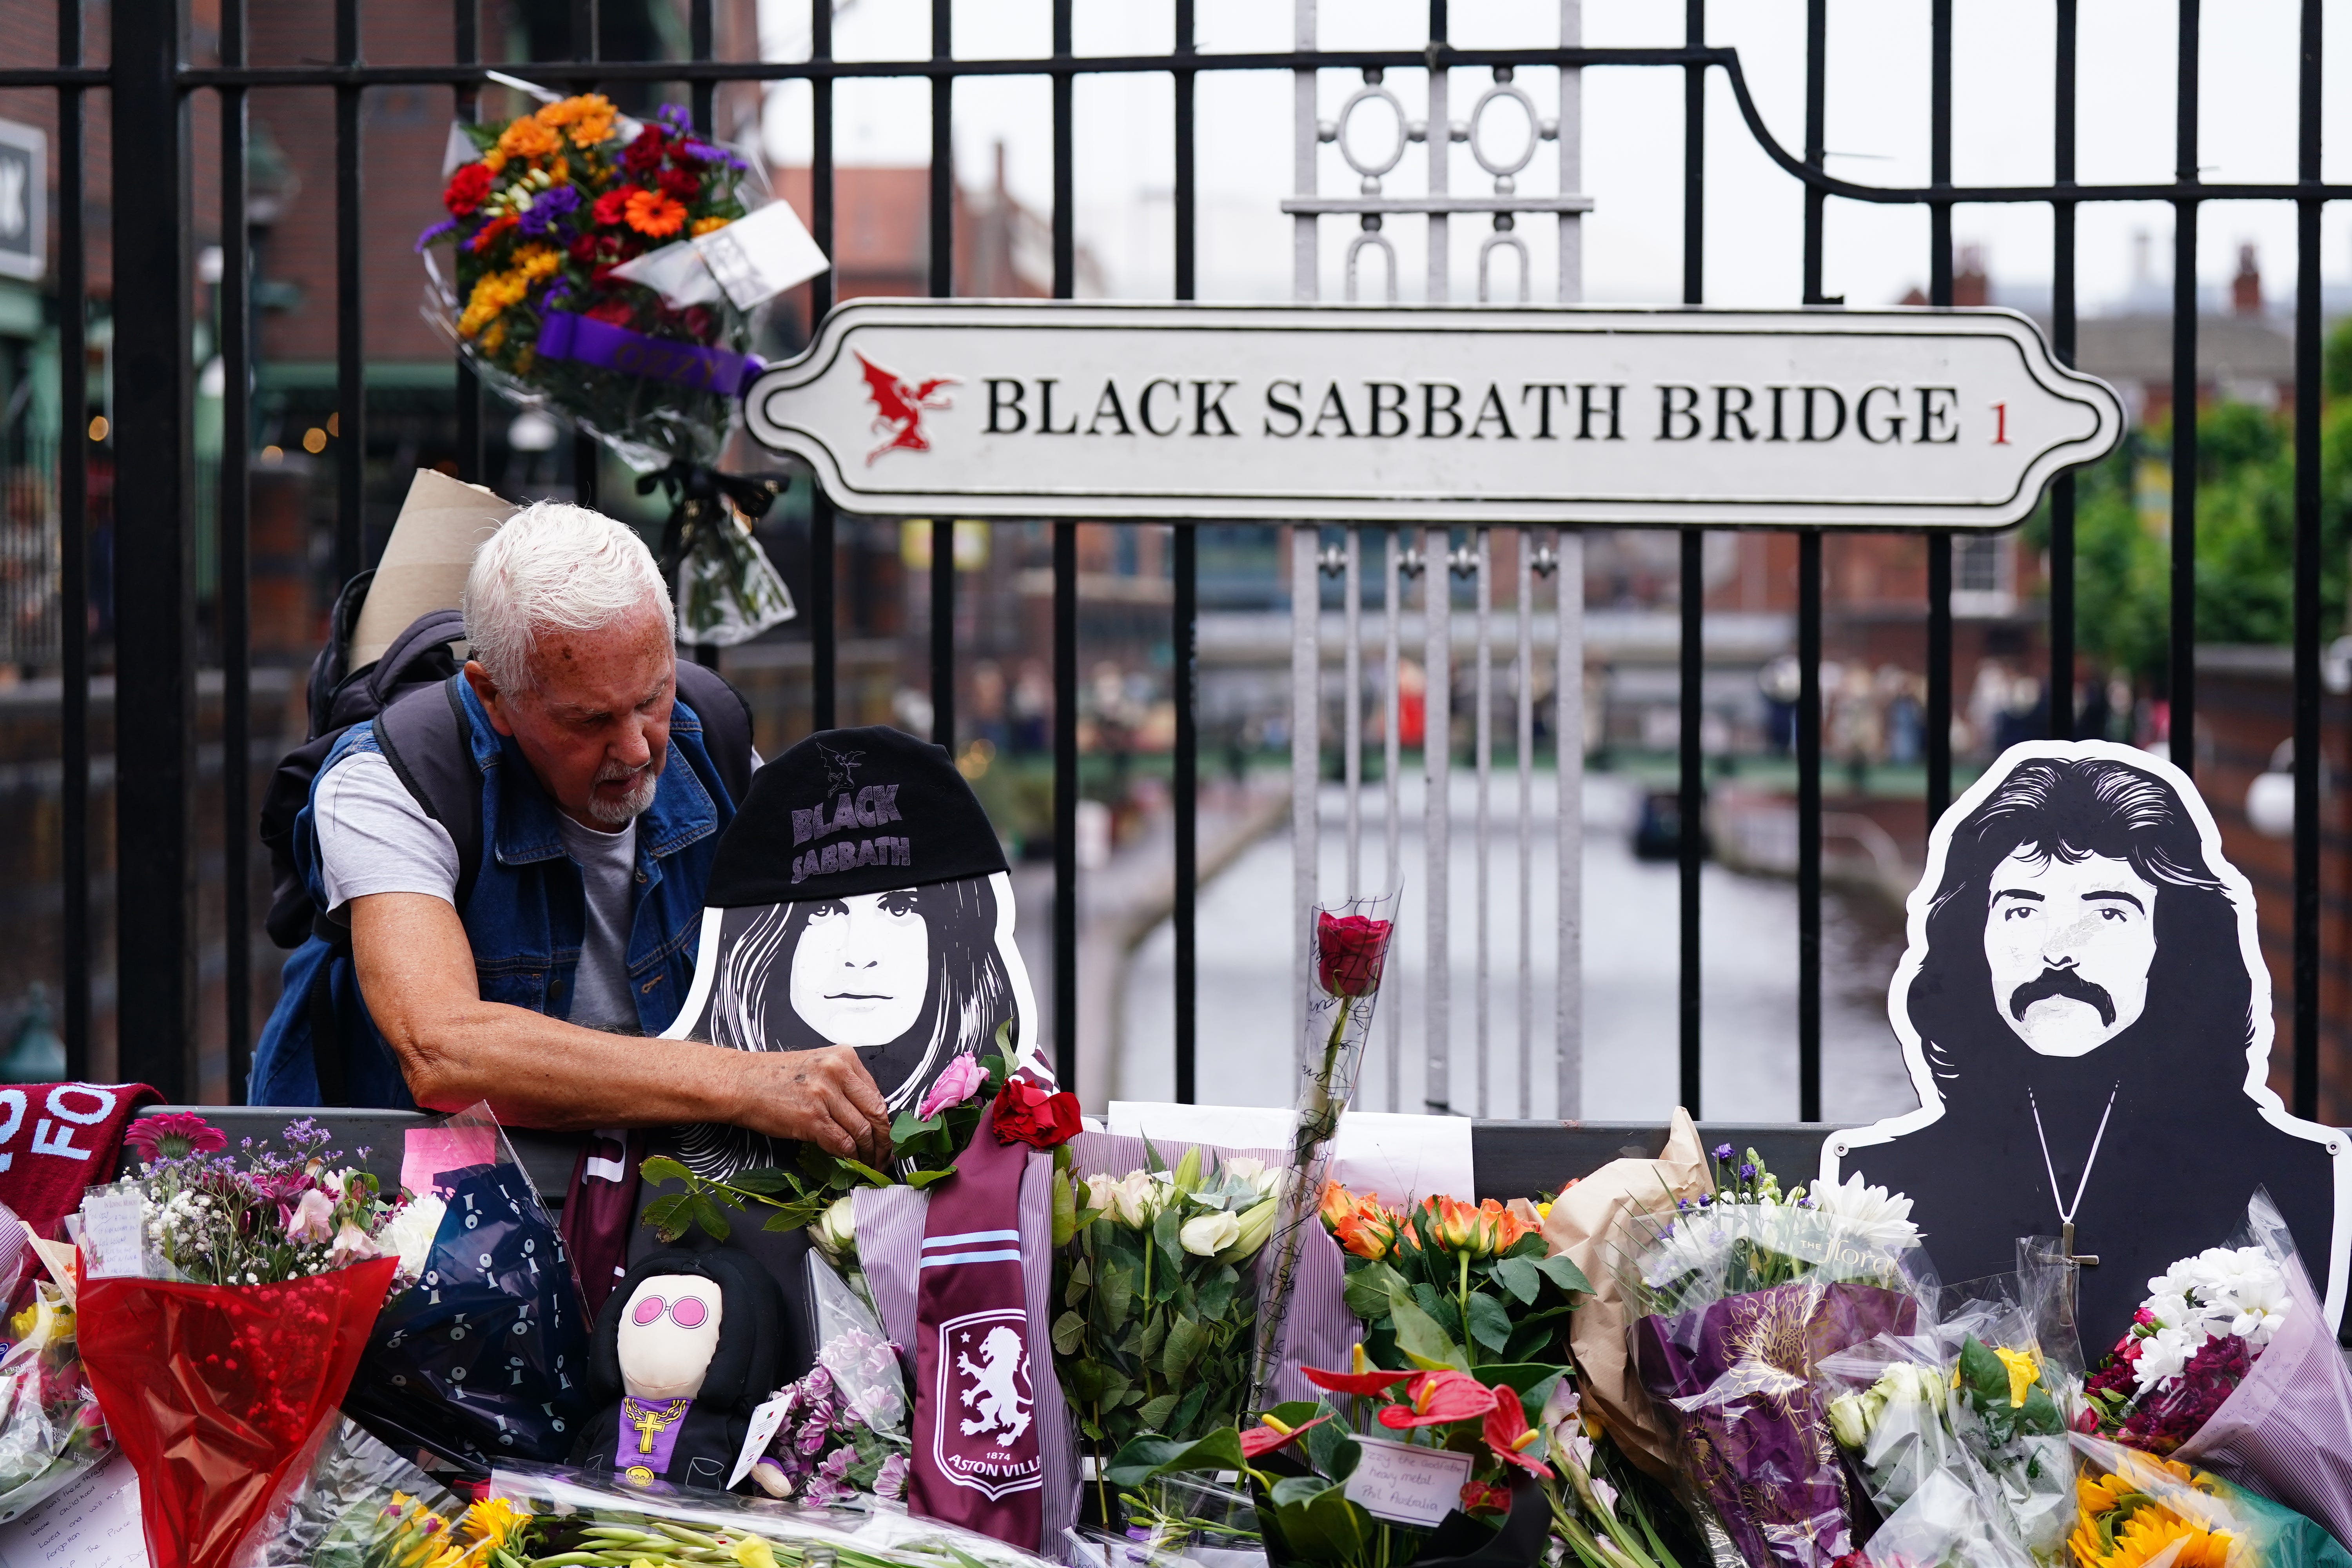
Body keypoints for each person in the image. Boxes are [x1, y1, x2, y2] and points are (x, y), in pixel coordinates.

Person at [250, 501, 892, 1165]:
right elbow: (444, 1049)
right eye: (590, 721)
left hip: (653, 1189)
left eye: (651, 699)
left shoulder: (713, 743)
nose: (637, 750)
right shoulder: (386, 783)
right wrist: (738, 1082)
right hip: (418, 1205)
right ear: (493, 696)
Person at [1829, 744, 2350, 1336]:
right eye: (2022, 912)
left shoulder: (2290, 1180)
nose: (2058, 951)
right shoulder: (1881, 1188)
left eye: (2108, 914)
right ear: (1972, 937)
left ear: (2174, 940)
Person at [659, 724, 1043, 1181]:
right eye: (824, 911)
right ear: (767, 941)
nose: (859, 955)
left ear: (956, 933)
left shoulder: (1022, 1119)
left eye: (899, 907)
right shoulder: (681, 1154)